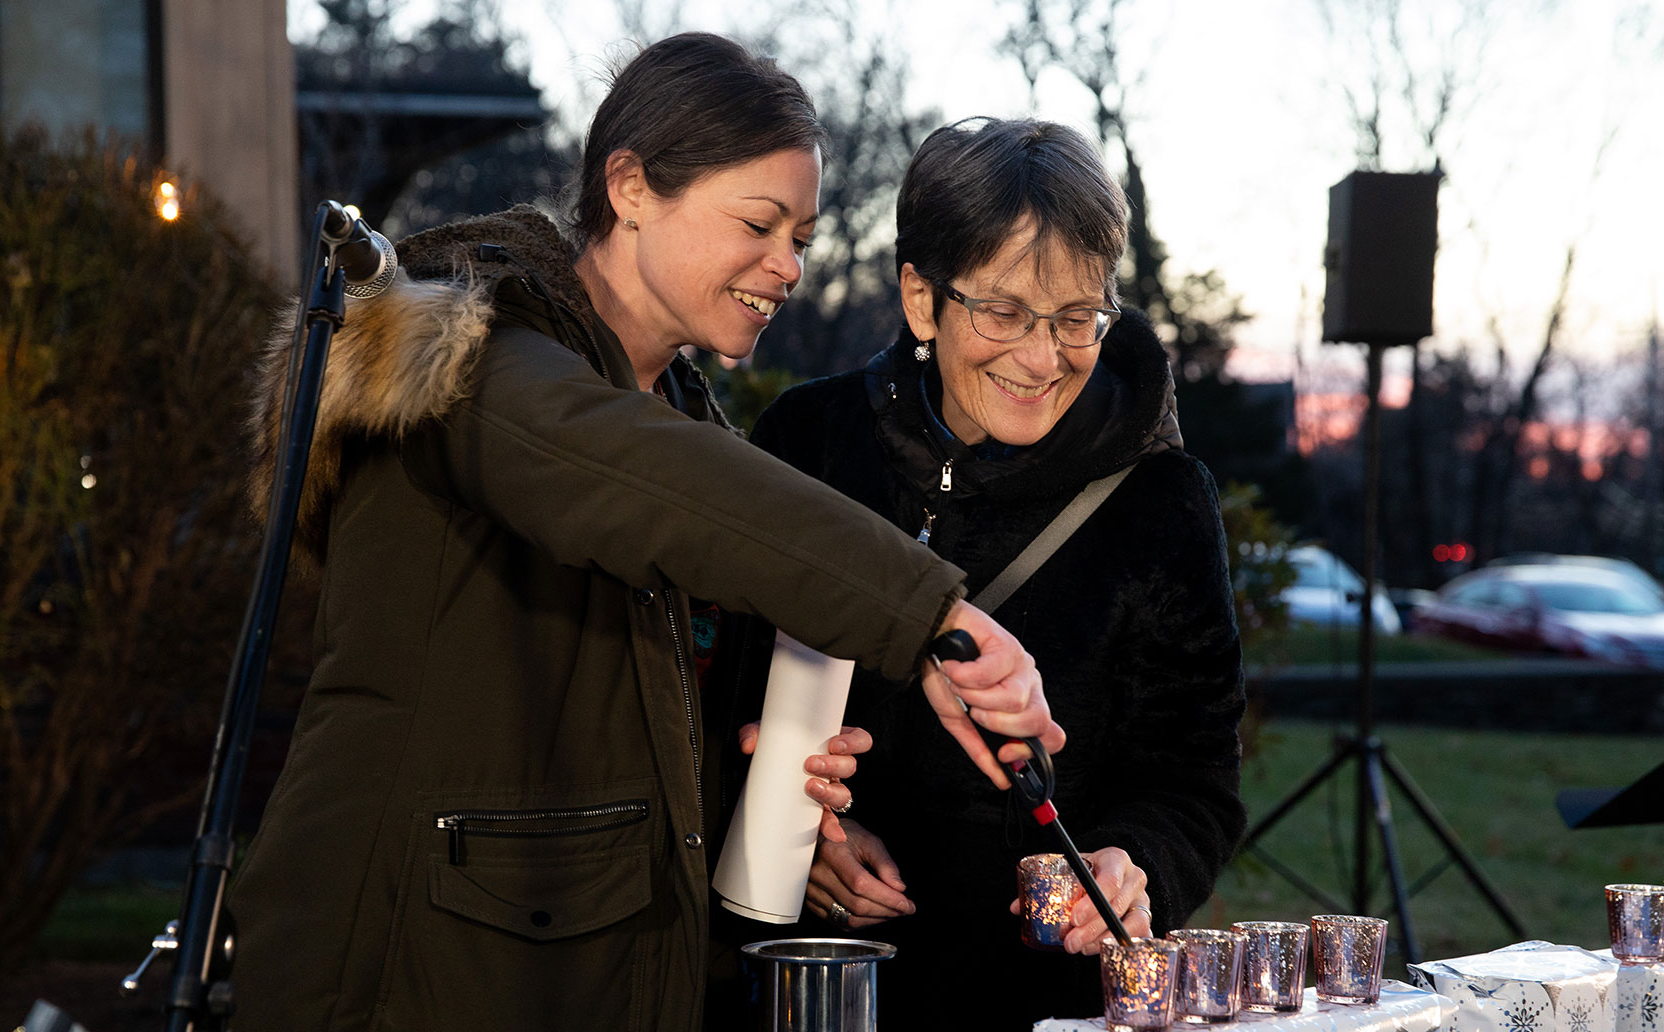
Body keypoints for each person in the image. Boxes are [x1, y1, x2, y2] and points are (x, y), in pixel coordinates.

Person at [226, 37, 1061, 1032]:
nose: (788, 265)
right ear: (628, 185)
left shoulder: (683, 422)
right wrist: (930, 615)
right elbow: (633, 474)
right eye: (758, 223)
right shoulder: (472, 364)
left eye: (800, 233)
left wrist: (761, 793)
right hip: (403, 972)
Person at [746, 117, 1247, 1027]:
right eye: (1006, 312)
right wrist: (799, 836)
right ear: (920, 299)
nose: (1042, 357)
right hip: (813, 981)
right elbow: (716, 704)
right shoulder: (807, 443)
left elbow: (1196, 782)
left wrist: (1137, 865)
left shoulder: (1160, 499)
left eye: (1076, 318)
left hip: (1041, 1000)